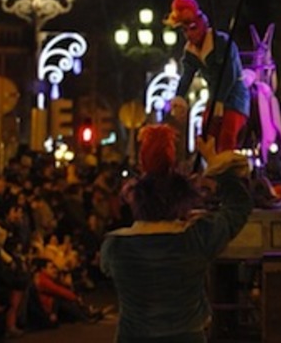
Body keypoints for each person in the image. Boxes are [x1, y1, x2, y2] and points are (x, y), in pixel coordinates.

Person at [100, 124, 253, 343]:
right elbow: (240, 205)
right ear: (180, 199)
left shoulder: (115, 246)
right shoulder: (197, 237)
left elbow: (106, 268)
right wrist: (214, 162)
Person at [165, 0, 250, 153]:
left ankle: (226, 172)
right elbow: (186, 76)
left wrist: (220, 100)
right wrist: (179, 96)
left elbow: (229, 74)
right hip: (214, 98)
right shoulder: (191, 51)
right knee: (206, 136)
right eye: (185, 30)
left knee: (226, 137)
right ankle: (211, 169)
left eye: (192, 28)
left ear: (202, 24)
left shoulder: (222, 43)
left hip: (234, 98)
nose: (189, 34)